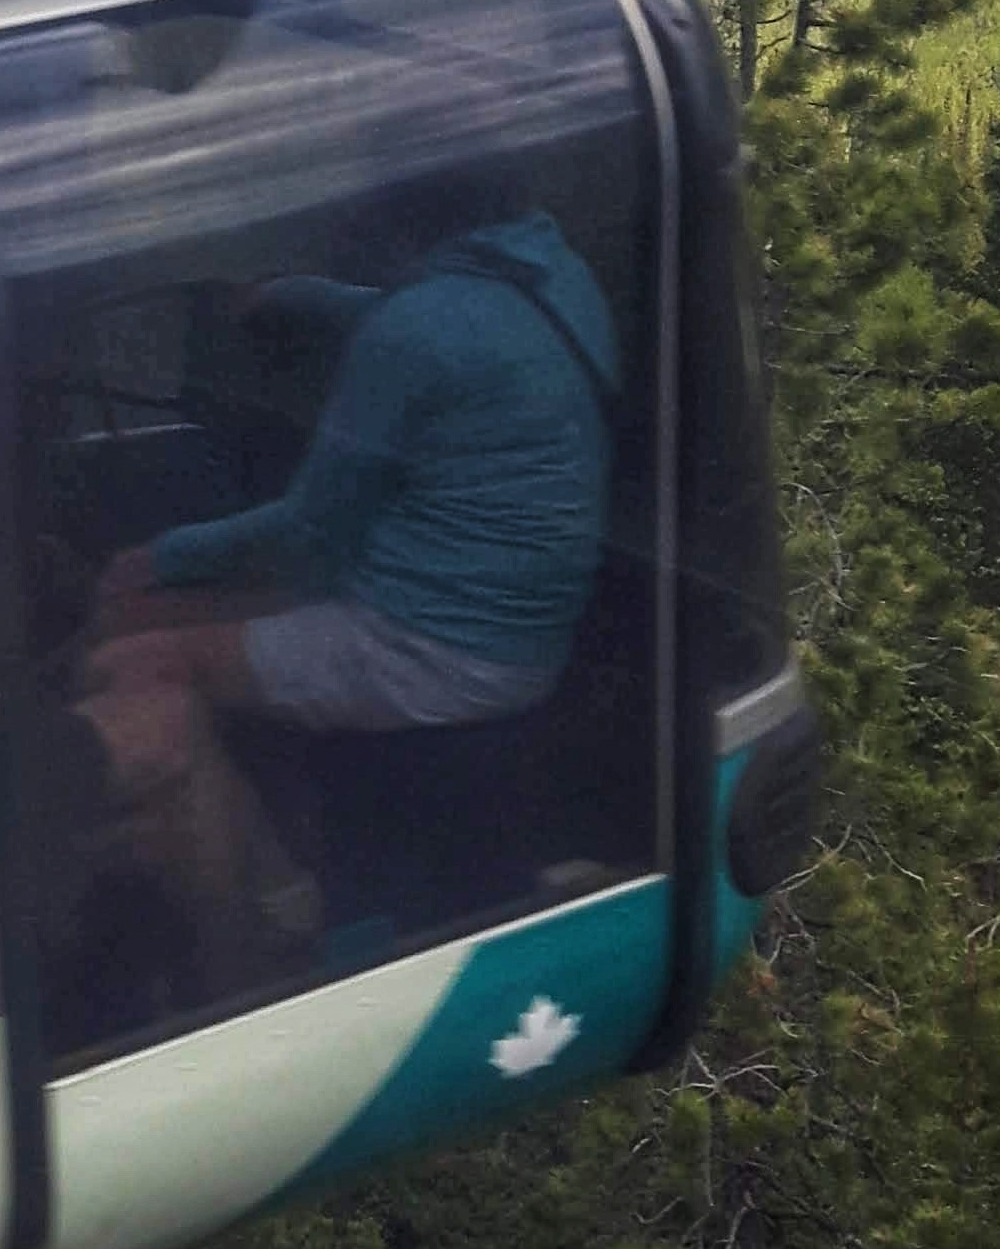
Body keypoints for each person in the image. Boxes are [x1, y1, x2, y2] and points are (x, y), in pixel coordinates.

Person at [77, 207, 621, 932]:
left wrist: (159, 555)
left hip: (432, 647)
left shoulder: (416, 327)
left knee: (138, 654)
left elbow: (307, 526)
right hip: (518, 630)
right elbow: (431, 321)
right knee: (176, 615)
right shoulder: (549, 273)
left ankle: (259, 916)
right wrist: (297, 293)